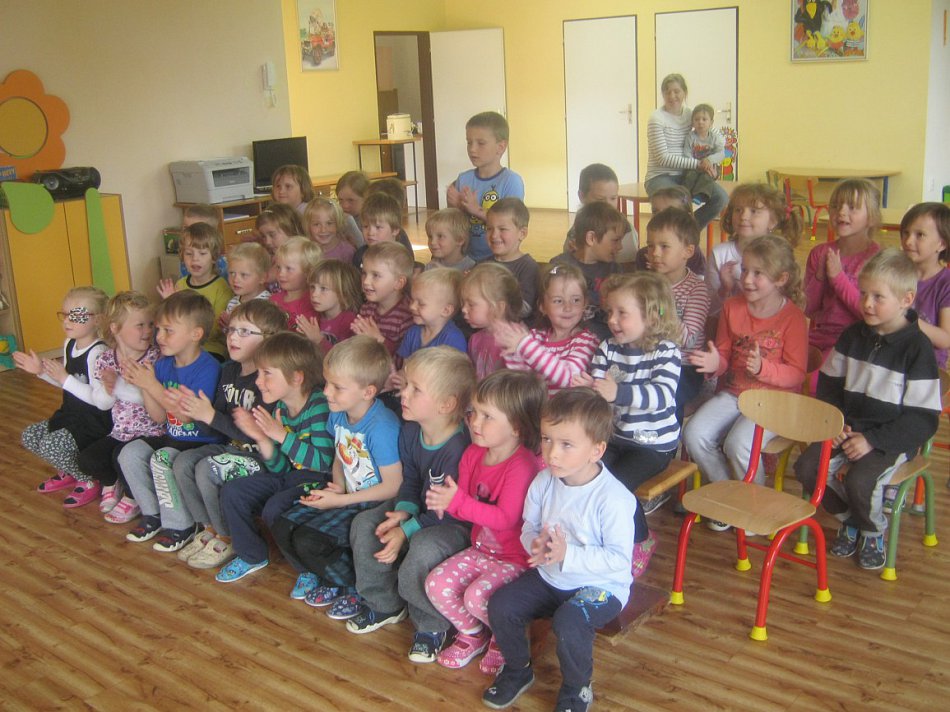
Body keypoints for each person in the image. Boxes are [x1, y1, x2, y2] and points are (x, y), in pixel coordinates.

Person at [482, 388, 635, 712]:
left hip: (602, 586)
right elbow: (529, 528)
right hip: (550, 577)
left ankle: (577, 688)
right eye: (547, 439)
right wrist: (534, 544)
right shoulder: (543, 481)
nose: (552, 453)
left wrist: (569, 555)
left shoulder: (614, 499)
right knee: (502, 605)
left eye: (566, 444)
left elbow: (619, 561)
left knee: (570, 622)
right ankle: (518, 670)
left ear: (596, 450)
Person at [794, 249, 941, 570]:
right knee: (806, 468)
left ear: (906, 300)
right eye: (863, 294)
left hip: (891, 440)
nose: (867, 303)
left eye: (878, 297)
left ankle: (873, 530)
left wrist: (873, 440)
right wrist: (835, 423)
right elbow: (829, 387)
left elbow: (923, 418)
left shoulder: (917, 348)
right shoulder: (852, 336)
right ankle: (853, 519)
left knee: (861, 481)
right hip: (847, 429)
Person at [346, 347, 475, 664]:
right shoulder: (411, 430)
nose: (403, 393)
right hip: (419, 508)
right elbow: (413, 479)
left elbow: (447, 512)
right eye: (406, 385)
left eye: (416, 389)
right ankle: (384, 603)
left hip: (452, 523)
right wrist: (403, 511)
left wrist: (406, 531)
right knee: (366, 525)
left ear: (446, 404)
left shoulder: (459, 448)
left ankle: (432, 625)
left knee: (423, 550)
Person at [683, 236, 808, 530]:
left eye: (758, 273)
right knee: (694, 434)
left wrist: (764, 369)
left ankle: (755, 506)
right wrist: (714, 365)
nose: (747, 279)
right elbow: (724, 355)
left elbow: (796, 373)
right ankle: (729, 496)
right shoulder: (732, 307)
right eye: (745, 269)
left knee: (738, 444)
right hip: (735, 394)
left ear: (781, 279)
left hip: (775, 400)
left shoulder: (792, 318)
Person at [424, 369, 545, 672]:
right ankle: (473, 634)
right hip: (481, 550)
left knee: (477, 597)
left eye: (487, 416)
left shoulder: (522, 465)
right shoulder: (473, 453)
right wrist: (444, 504)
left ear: (517, 426)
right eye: (474, 412)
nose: (475, 422)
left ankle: (504, 639)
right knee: (436, 584)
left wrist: (457, 502)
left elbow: (505, 518)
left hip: (516, 559)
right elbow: (462, 505)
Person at [270, 335, 402, 612]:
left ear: (368, 392)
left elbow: (393, 486)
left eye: (337, 387)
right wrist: (338, 486)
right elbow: (341, 454)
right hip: (348, 497)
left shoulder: (382, 427)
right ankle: (327, 577)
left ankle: (351, 587)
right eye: (327, 382)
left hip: (376, 504)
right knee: (283, 526)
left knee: (310, 540)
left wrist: (341, 500)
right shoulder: (338, 412)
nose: (326, 392)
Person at [571, 272, 680, 575]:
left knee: (615, 486)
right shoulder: (608, 348)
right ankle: (597, 538)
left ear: (651, 315)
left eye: (622, 313)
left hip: (653, 445)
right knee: (585, 475)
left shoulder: (666, 351)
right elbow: (600, 390)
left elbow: (662, 395)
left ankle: (641, 538)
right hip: (617, 437)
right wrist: (590, 390)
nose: (612, 320)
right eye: (610, 312)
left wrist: (616, 392)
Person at [171, 300, 289, 569]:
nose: (233, 337)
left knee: (208, 469)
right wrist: (195, 412)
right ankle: (209, 528)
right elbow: (214, 426)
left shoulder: (267, 380)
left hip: (260, 458)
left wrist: (210, 415)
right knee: (183, 463)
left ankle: (227, 536)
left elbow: (255, 435)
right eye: (231, 330)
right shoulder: (228, 371)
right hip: (230, 449)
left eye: (244, 331)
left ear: (269, 339)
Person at [214, 332, 334, 582]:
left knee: (275, 507)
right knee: (233, 492)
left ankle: (308, 572)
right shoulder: (280, 408)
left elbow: (323, 462)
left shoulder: (318, 405)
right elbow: (281, 469)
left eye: (267, 373)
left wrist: (280, 435)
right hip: (291, 479)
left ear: (296, 377)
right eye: (259, 373)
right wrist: (262, 439)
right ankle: (252, 555)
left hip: (320, 481)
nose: (259, 381)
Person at [118, 291, 223, 546]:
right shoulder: (164, 365)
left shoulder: (208, 368)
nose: (159, 337)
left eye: (168, 331)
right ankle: (153, 514)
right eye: (159, 329)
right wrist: (143, 383)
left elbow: (186, 417)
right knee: (129, 453)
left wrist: (151, 385)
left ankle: (181, 525)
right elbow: (158, 417)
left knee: (162, 458)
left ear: (195, 334)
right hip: (173, 437)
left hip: (200, 441)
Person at [15, 286, 112, 507]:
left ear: (97, 319)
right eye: (65, 314)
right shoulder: (70, 344)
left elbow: (99, 401)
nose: (68, 321)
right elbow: (66, 384)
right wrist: (40, 372)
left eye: (76, 315)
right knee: (30, 436)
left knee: (51, 445)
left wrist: (64, 378)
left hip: (93, 422)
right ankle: (69, 471)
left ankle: (88, 480)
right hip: (70, 415)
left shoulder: (99, 352)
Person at [75, 292, 164, 521]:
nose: (148, 331)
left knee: (119, 455)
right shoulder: (105, 359)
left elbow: (155, 404)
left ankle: (133, 497)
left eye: (150, 324)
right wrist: (108, 388)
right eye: (140, 325)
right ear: (115, 328)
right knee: (88, 459)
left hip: (152, 431)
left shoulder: (156, 357)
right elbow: (103, 405)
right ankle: (113, 483)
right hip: (121, 432)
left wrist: (121, 386)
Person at [644, 208, 710, 422]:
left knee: (666, 399)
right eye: (651, 245)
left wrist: (663, 303)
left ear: (687, 251)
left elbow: (685, 339)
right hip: (648, 358)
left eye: (664, 247)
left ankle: (669, 441)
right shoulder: (645, 284)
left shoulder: (696, 290)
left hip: (684, 366)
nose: (655, 253)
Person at [805, 179, 882, 362]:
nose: (841, 212)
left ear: (871, 217)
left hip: (859, 340)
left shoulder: (877, 258)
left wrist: (837, 277)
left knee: (819, 375)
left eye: (852, 207)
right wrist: (819, 277)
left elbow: (868, 312)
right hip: (820, 336)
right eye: (835, 206)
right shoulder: (819, 253)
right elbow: (808, 308)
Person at [497, 263, 600, 396]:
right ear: (543, 307)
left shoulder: (588, 342)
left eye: (576, 300)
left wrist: (524, 346)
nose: (568, 307)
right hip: (537, 407)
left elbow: (569, 378)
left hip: (566, 409)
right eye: (558, 301)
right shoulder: (535, 337)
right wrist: (512, 351)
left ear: (585, 303)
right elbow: (521, 379)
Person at [644, 73, 728, 231]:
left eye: (676, 91)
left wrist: (710, 161)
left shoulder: (691, 114)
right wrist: (699, 164)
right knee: (675, 202)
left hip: (689, 174)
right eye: (667, 92)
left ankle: (689, 230)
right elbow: (663, 158)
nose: (672, 96)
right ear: (662, 94)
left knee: (721, 198)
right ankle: (673, 236)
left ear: (684, 92)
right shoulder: (656, 119)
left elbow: (712, 132)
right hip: (661, 176)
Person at [707, 183, 803, 314]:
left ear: (772, 221)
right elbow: (708, 308)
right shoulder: (719, 254)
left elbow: (787, 303)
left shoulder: (779, 255)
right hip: (726, 323)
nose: (743, 217)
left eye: (754, 211)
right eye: (738, 210)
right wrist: (724, 290)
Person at [447, 111, 525, 262]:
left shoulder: (511, 181)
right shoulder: (463, 178)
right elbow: (454, 225)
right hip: (467, 258)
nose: (472, 149)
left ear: (500, 147)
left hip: (500, 260)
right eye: (469, 142)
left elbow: (510, 223)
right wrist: (455, 207)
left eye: (481, 143)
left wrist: (476, 210)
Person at [157, 223, 233, 360]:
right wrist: (170, 303)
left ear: (214, 257)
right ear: (182, 256)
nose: (195, 258)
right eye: (189, 253)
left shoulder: (222, 287)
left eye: (202, 253)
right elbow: (168, 323)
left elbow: (213, 330)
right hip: (182, 345)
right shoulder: (180, 284)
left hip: (211, 349)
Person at [552, 201, 626, 339]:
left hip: (603, 339)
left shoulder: (615, 270)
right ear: (591, 238)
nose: (620, 247)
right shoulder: (560, 266)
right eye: (615, 240)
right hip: (566, 337)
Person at [899, 202, 950, 370]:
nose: (908, 241)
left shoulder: (946, 283)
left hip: (926, 367)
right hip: (893, 359)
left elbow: (945, 339)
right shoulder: (895, 274)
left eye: (919, 235)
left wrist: (905, 318)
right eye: (906, 233)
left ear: (941, 244)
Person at [561, 163, 639, 265]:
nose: (608, 205)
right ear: (582, 196)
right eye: (600, 199)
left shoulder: (624, 229)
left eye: (613, 198)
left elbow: (629, 265)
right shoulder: (577, 229)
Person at [351, 242, 415, 363]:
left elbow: (403, 361)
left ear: (398, 283)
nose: (366, 281)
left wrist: (378, 339)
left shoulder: (407, 316)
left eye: (375, 275)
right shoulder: (367, 308)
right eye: (364, 273)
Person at [460, 262, 523, 380]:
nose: (464, 309)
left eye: (471, 304)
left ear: (498, 308)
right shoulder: (475, 339)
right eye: (463, 303)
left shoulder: (517, 341)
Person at [396, 267, 467, 361]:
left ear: (446, 310)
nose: (412, 306)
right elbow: (405, 366)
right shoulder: (412, 332)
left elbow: (454, 370)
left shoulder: (453, 339)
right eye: (412, 300)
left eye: (421, 304)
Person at [634, 186, 707, 277]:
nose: (660, 217)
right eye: (655, 211)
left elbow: (699, 279)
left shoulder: (693, 253)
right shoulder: (643, 255)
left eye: (669, 212)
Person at [487, 197, 539, 321]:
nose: (494, 235)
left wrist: (490, 307)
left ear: (522, 233)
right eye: (489, 228)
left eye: (502, 229)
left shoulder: (528, 267)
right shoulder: (483, 265)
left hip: (515, 328)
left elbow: (525, 308)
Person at [298, 259, 363, 354]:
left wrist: (319, 340)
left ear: (343, 293)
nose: (314, 294)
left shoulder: (350, 322)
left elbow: (342, 357)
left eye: (323, 289)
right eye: (312, 287)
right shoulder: (314, 315)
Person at [269, 236, 323, 332]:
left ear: (308, 272)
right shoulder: (273, 299)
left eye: (288, 269)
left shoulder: (313, 303)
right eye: (278, 267)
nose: (281, 273)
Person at [351, 192, 414, 268]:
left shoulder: (402, 258)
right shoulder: (359, 255)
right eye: (365, 226)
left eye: (378, 227)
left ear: (395, 229)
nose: (370, 233)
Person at [220, 242, 272, 329]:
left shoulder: (268, 303)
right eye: (232, 273)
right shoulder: (232, 302)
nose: (235, 279)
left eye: (243, 275)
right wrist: (227, 327)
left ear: (263, 278)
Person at [680, 103, 725, 203]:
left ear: (711, 123)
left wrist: (709, 160)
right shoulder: (690, 137)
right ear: (692, 122)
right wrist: (696, 164)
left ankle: (700, 195)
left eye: (704, 119)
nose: (700, 122)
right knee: (689, 176)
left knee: (706, 177)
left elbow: (721, 154)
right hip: (694, 167)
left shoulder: (715, 138)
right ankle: (684, 196)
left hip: (709, 167)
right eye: (697, 119)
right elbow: (686, 154)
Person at [256, 204, 305, 294]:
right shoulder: (270, 255)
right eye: (263, 236)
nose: (267, 242)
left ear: (290, 230)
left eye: (272, 235)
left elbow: (267, 277)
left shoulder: (299, 256)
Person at [304, 196, 355, 262]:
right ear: (308, 226)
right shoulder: (304, 250)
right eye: (316, 224)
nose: (323, 230)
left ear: (338, 223)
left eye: (329, 223)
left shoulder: (347, 252)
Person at [425, 208, 476, 272]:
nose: (433, 242)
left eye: (440, 236)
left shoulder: (471, 267)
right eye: (430, 236)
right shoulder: (431, 266)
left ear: (459, 240)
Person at [335, 170, 370, 249]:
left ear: (365, 199)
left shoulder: (371, 220)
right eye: (340, 200)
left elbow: (364, 248)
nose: (345, 206)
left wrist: (350, 222)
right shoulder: (338, 218)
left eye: (351, 200)